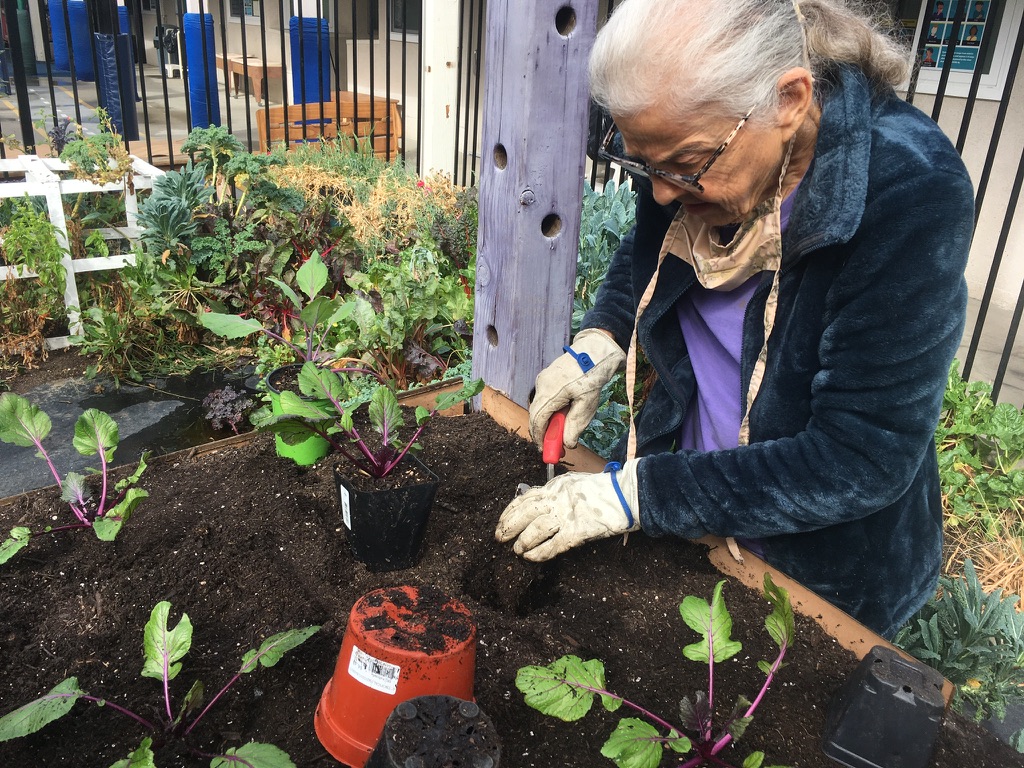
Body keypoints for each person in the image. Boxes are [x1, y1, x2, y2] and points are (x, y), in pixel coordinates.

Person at [496, 0, 973, 640]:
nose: (662, 194)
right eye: (643, 165)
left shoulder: (909, 187)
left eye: (685, 168)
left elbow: (862, 458)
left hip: (811, 562)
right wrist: (600, 339)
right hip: (695, 494)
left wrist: (639, 496)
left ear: (790, 99)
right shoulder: (693, 139)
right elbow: (650, 248)